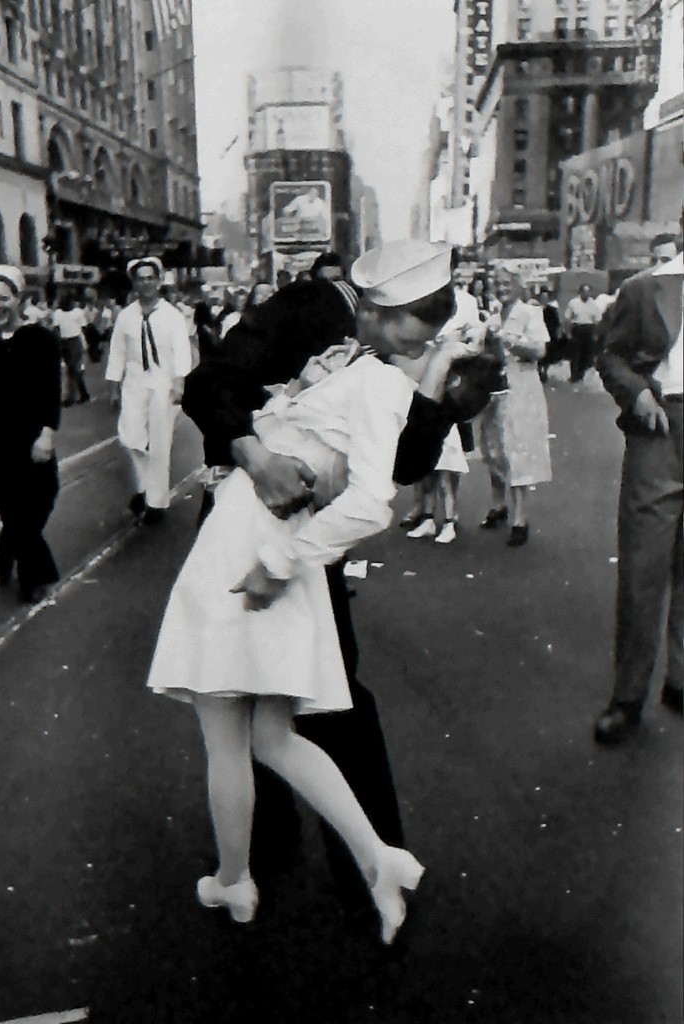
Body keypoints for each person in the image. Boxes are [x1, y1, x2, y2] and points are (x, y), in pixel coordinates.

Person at [151, 241, 461, 943]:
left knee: (298, 706)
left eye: (435, 326)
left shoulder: (392, 367)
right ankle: (277, 851)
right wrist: (257, 457)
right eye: (418, 322)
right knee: (271, 713)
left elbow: (400, 467)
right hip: (254, 519)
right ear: (375, 305)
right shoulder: (308, 308)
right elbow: (209, 386)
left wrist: (430, 390)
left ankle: (330, 868)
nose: (423, 337)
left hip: (293, 541)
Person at [593, 249, 683, 744]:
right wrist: (638, 392)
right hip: (662, 429)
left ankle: (680, 681)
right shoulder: (646, 289)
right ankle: (628, 697)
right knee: (643, 569)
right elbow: (609, 353)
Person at [105, 258, 192, 525]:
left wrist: (179, 384)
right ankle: (143, 487)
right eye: (140, 278)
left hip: (163, 384)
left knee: (159, 443)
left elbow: (182, 351)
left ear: (158, 280)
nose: (146, 283)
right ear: (134, 282)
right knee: (129, 437)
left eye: (150, 277)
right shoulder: (125, 317)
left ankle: (156, 503)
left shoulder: (172, 316)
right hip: (135, 383)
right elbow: (117, 353)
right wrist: (113, 388)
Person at [403, 257, 484, 543]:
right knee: (422, 455)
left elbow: (476, 341)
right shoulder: (416, 300)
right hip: (419, 381)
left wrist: (453, 345)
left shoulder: (466, 301)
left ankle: (449, 519)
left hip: (450, 388)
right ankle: (426, 515)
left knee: (449, 458)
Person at [0, 266, 61, 604]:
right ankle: (35, 579)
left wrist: (48, 433)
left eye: (3, 299)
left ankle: (5, 554)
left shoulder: (40, 340)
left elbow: (51, 390)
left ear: (18, 300)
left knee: (39, 502)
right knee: (14, 511)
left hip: (32, 438)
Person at [479, 265, 552, 546]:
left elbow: (539, 350)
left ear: (519, 285)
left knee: (517, 449)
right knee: (493, 448)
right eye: (496, 283)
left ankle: (519, 518)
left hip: (521, 387)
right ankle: (498, 504)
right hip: (494, 388)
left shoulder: (530, 313)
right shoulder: (495, 315)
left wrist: (510, 342)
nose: (500, 287)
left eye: (506, 283)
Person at [52, 292, 90, 406]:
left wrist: (84, 343)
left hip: (74, 340)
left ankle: (71, 397)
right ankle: (83, 394)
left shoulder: (77, 312)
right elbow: (56, 329)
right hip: (65, 341)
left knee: (73, 369)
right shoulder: (58, 313)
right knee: (73, 369)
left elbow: (83, 328)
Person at [564, 283, 602, 383]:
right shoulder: (573, 303)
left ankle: (581, 374)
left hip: (588, 329)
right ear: (580, 292)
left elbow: (597, 321)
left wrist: (595, 334)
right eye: (584, 292)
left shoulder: (594, 304)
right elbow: (567, 318)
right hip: (577, 328)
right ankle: (574, 375)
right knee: (575, 353)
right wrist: (568, 332)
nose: (586, 294)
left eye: (588, 292)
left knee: (586, 354)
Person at [536, 286, 564, 383]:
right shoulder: (535, 309)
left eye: (545, 297)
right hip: (538, 334)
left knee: (548, 354)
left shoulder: (551, 310)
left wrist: (556, 333)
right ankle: (539, 369)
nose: (543, 299)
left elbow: (557, 323)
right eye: (542, 297)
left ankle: (545, 370)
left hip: (549, 335)